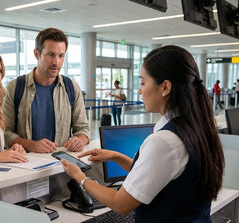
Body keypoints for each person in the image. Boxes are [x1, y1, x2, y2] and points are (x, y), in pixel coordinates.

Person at [61, 45, 224, 222]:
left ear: (165, 87)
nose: (139, 90)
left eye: (143, 82)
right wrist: (116, 157)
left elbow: (120, 204)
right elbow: (156, 175)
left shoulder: (165, 141)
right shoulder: (193, 127)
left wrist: (81, 177)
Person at [3, 28, 90, 153]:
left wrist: (79, 140)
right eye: (50, 55)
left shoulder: (72, 88)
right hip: (26, 164)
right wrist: (31, 145)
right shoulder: (15, 87)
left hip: (61, 166)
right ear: (36, 54)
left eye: (61, 56)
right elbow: (5, 131)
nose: (56, 62)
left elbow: (83, 129)